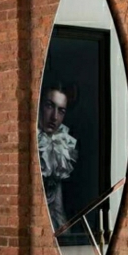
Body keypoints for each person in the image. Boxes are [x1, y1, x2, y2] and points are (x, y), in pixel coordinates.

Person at [38, 80, 78, 232]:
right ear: (40, 105)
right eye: (50, 106)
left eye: (61, 110)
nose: (54, 117)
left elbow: (57, 206)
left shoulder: (61, 143)